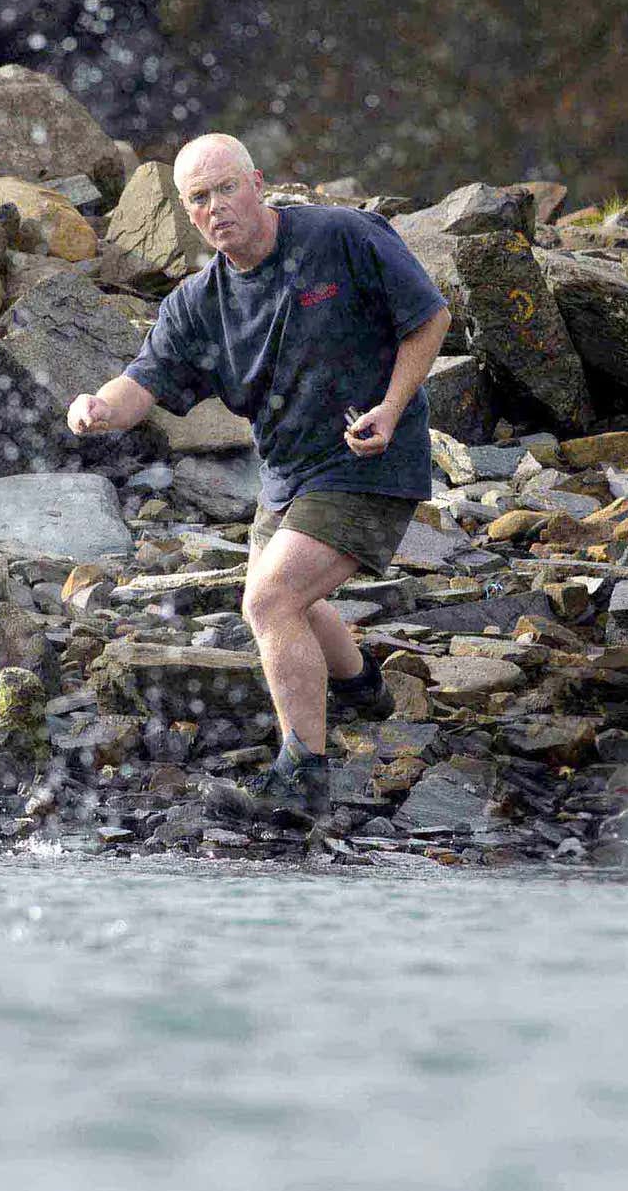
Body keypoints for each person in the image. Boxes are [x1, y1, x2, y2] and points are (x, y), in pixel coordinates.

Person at [65, 133, 452, 825]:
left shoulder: (342, 236)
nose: (217, 208)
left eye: (226, 188)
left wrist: (392, 411)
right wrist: (97, 408)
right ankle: (361, 689)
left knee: (270, 602)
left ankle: (302, 775)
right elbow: (137, 386)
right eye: (198, 199)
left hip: (370, 455)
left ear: (258, 182)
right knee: (286, 600)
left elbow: (430, 318)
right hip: (287, 474)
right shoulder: (197, 303)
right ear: (187, 213)